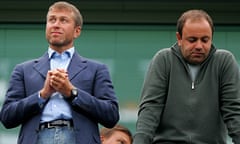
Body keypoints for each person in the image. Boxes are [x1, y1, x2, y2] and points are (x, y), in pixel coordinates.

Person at [0, 1, 119, 144]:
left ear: (77, 31)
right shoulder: (23, 70)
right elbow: (7, 117)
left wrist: (72, 93)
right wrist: (42, 95)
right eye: (52, 20)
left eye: (63, 20)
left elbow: (111, 115)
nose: (56, 24)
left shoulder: (97, 69)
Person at [133, 9, 240, 144]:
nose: (199, 46)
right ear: (179, 38)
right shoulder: (164, 60)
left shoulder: (224, 61)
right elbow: (150, 109)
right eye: (192, 40)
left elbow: (234, 112)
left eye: (205, 40)